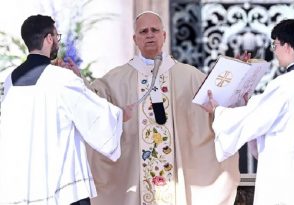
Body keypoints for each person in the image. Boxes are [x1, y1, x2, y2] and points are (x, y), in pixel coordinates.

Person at [85, 11, 240, 205]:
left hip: (178, 177)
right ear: (135, 39)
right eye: (143, 31)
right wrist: (76, 78)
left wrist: (237, 75)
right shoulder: (117, 79)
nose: (149, 34)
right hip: (134, 177)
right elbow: (91, 102)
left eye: (154, 30)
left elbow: (218, 103)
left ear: (164, 35)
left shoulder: (189, 76)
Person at [0, 14, 132, 205]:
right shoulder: (61, 79)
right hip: (60, 187)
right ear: (49, 39)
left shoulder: (10, 80)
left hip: (22, 184)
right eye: (56, 36)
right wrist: (121, 115)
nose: (57, 42)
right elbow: (95, 117)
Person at [202, 19, 294, 205]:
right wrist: (253, 104)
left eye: (276, 44)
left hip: (289, 183)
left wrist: (218, 111)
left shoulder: (287, 84)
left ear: (287, 46)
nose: (275, 50)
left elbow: (252, 122)